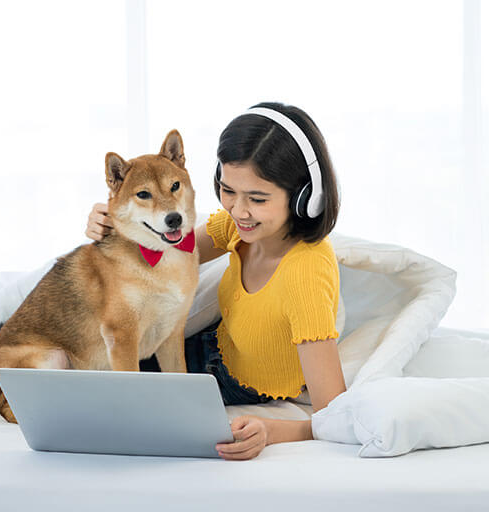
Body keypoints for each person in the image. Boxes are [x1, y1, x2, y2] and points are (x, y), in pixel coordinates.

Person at [85, 102, 346, 460]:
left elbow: (334, 415)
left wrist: (272, 430)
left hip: (225, 383)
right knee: (79, 364)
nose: (238, 210)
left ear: (304, 197)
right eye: (227, 191)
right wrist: (111, 225)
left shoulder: (306, 275)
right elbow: (165, 252)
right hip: (199, 349)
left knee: (96, 398)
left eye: (257, 198)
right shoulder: (237, 227)